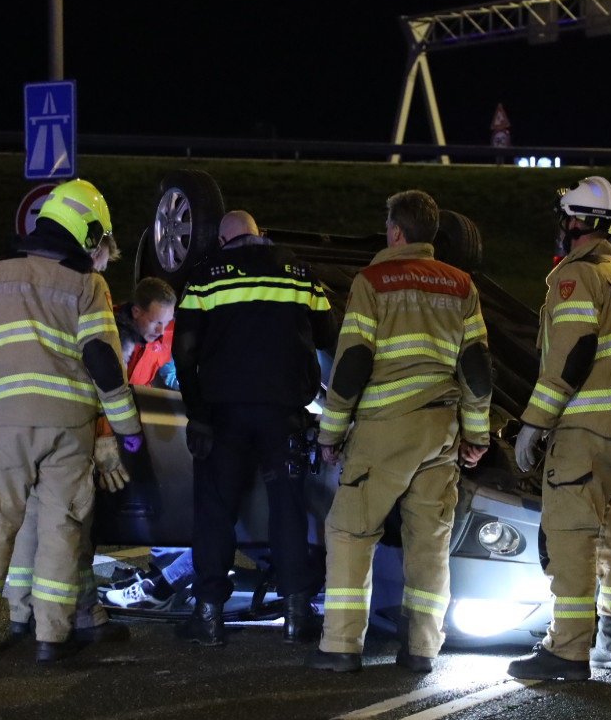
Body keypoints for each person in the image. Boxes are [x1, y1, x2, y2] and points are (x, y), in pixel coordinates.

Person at [0, 178, 143, 665]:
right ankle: (51, 637)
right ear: (87, 232)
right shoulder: (87, 285)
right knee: (61, 530)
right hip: (70, 429)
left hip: (7, 425)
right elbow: (104, 363)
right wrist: (127, 430)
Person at [310, 190, 492, 674]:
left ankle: (341, 646)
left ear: (395, 231)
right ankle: (422, 649)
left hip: (385, 429)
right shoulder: (462, 286)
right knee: (429, 543)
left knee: (350, 532)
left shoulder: (372, 282)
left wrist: (331, 432)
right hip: (440, 429)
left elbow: (352, 362)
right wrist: (477, 436)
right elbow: (476, 369)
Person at [170, 209, 336, 646]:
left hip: (222, 416)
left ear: (223, 241)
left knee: (215, 512)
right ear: (259, 233)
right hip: (284, 414)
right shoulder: (300, 273)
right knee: (288, 508)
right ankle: (297, 615)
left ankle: (208, 616)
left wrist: (197, 414)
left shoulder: (205, 278)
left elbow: (183, 352)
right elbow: (327, 334)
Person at [507, 176, 611, 681]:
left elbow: (571, 356)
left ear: (575, 223)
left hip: (583, 433)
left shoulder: (575, 278)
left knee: (572, 538)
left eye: (564, 218)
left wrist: (533, 425)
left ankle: (567, 651)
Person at [116, 277, 179, 389]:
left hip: (140, 396)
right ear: (136, 312)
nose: (161, 331)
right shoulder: (108, 329)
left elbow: (171, 374)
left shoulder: (169, 334)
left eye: (167, 322)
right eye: (156, 322)